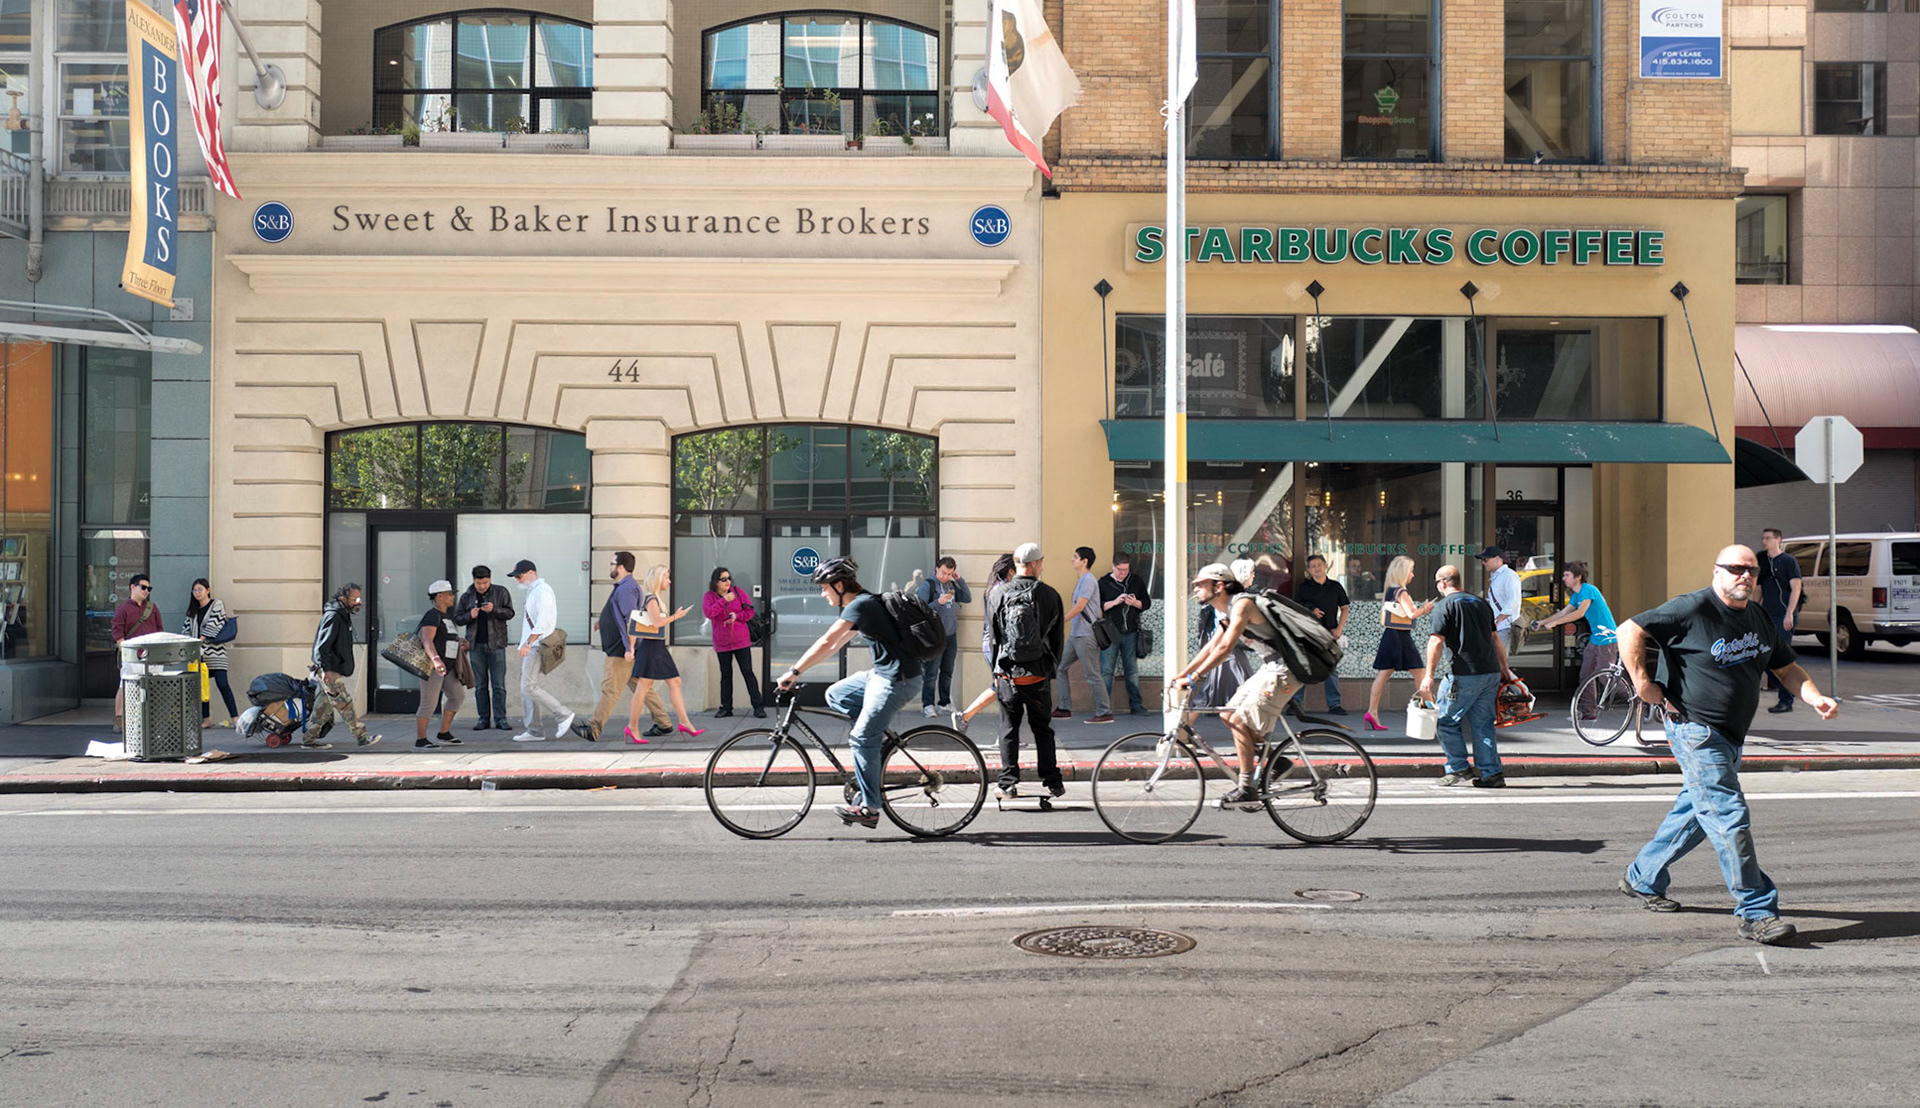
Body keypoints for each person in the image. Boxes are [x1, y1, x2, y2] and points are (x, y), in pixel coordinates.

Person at [1616, 545, 1839, 947]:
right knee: (1729, 816)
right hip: (1696, 732)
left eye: (1752, 571)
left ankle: (1642, 876)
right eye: (1736, 569)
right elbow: (1630, 629)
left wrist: (1813, 696)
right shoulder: (1692, 609)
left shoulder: (1758, 618)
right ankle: (1757, 911)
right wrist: (1643, 684)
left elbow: (1786, 668)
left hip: (1731, 736)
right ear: (1717, 571)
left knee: (1697, 813)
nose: (1745, 576)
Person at [774, 557, 922, 829]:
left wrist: (794, 672)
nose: (822, 593)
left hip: (897, 680)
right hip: (879, 675)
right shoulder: (861, 605)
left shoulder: (861, 605)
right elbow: (834, 647)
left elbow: (827, 640)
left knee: (862, 737)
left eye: (824, 588)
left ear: (839, 585)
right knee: (836, 695)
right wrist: (801, 670)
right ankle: (873, 737)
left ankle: (870, 807)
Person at [1172, 563, 1297, 808]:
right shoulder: (1229, 610)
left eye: (1200, 585)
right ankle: (1277, 762)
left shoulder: (1242, 605)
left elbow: (1224, 648)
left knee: (1240, 719)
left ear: (1218, 586)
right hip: (1271, 666)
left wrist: (1194, 677)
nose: (1195, 589)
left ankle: (1246, 787)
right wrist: (1180, 675)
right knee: (1229, 714)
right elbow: (1210, 647)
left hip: (1286, 669)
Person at [1417, 565, 1516, 788]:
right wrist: (1505, 669)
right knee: (1483, 725)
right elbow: (1495, 639)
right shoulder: (1481, 604)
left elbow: (1436, 641)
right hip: (1489, 673)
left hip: (1463, 674)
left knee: (1445, 721)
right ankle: (1492, 773)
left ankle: (1458, 767)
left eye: (1437, 583)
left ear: (1443, 583)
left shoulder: (1445, 606)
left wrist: (1428, 676)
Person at [986, 542, 1067, 799]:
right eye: (1041, 562)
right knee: (1042, 727)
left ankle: (1008, 782)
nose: (1042, 565)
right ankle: (1053, 781)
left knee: (1008, 728)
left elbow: (994, 638)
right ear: (1033, 564)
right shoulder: (1050, 595)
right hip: (1037, 675)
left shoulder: (998, 594)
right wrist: (1049, 668)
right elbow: (1057, 639)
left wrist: (997, 672)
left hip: (1008, 675)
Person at [585, 552, 672, 741]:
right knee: (643, 687)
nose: (610, 567)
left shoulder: (626, 588)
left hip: (620, 650)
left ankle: (594, 728)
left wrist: (629, 649)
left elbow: (630, 620)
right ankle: (664, 723)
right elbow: (620, 613)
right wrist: (603, 621)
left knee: (610, 689)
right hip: (622, 648)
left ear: (621, 567)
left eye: (612, 564)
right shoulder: (624, 587)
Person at [622, 564, 704, 741]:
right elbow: (657, 623)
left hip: (656, 647)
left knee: (673, 682)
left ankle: (684, 722)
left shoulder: (655, 599)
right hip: (652, 648)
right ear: (658, 579)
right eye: (666, 577)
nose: (669, 581)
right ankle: (632, 727)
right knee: (644, 688)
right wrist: (676, 616)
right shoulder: (652, 599)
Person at [1532, 561, 1619, 726]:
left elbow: (1580, 613)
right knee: (1585, 675)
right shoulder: (1576, 595)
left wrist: (1556, 624)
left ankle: (1640, 695)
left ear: (1578, 577)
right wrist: (1542, 622)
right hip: (1596, 638)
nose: (1563, 578)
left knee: (1605, 677)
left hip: (1607, 638)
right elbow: (1564, 612)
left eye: (1567, 575)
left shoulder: (1588, 590)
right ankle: (1588, 714)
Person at [1364, 555, 1434, 731]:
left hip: (1391, 636)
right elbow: (1411, 614)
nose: (1413, 575)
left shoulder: (1390, 589)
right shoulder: (1401, 592)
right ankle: (1434, 712)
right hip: (1401, 637)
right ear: (1403, 572)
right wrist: (1425, 609)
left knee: (1384, 674)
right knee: (1421, 673)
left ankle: (1372, 713)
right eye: (1411, 571)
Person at [509, 559, 576, 743]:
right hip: (534, 645)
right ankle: (534, 730)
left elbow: (543, 621)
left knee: (528, 687)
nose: (517, 580)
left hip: (537, 645)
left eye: (519, 576)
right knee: (526, 689)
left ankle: (563, 714)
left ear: (531, 573)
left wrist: (528, 643)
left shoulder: (542, 591)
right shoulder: (534, 591)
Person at [952, 552, 1017, 735]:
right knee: (1006, 689)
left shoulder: (994, 587)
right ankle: (1006, 735)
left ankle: (965, 717)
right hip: (997, 645)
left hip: (993, 643)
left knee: (1002, 687)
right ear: (1010, 571)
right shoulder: (1002, 589)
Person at [309, 582, 376, 748]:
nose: (359, 602)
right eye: (355, 598)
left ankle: (309, 740)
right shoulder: (334, 616)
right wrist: (325, 669)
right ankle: (362, 737)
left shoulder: (342, 615)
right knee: (345, 704)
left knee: (321, 708)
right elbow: (322, 645)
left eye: (360, 598)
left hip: (332, 668)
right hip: (329, 670)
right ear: (343, 598)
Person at [1052, 546, 1113, 723]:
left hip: (1086, 635)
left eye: (1075, 557)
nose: (1072, 559)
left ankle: (1104, 711)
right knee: (1060, 667)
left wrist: (1059, 621)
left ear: (1084, 561)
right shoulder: (1081, 580)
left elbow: (1079, 607)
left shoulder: (1088, 580)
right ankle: (1064, 708)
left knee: (1092, 674)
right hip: (1075, 635)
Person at [1286, 554, 1350, 716]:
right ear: (1309, 569)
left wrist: (1339, 629)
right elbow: (1295, 608)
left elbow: (1345, 608)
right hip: (1307, 634)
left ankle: (1334, 704)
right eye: (1313, 566)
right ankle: (1296, 705)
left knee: (1331, 670)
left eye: (1319, 565)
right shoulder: (1304, 588)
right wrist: (1311, 609)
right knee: (1304, 668)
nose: (1317, 568)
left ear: (1325, 566)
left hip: (1329, 634)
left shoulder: (1335, 586)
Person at [454, 566, 515, 731]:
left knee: (498, 685)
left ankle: (501, 719)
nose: (482, 586)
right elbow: (458, 618)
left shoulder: (500, 592)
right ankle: (483, 719)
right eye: (479, 583)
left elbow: (510, 613)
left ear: (490, 579)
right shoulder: (467, 595)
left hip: (497, 644)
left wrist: (494, 610)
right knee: (480, 685)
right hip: (475, 645)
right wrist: (469, 616)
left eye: (485, 582)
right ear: (473, 580)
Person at [704, 565, 765, 719]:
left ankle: (758, 706)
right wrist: (723, 600)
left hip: (741, 640)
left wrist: (737, 616)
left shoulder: (738, 592)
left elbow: (750, 611)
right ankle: (726, 707)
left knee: (748, 673)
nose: (727, 582)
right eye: (723, 579)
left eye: (729, 578)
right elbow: (709, 613)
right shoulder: (710, 596)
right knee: (726, 675)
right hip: (722, 642)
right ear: (716, 582)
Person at [1097, 552, 1152, 715]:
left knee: (1132, 670)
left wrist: (1135, 603)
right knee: (1107, 670)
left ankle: (1136, 705)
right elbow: (1099, 606)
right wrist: (1115, 602)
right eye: (1120, 570)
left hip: (1131, 631)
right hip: (1110, 631)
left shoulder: (1136, 580)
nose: (1123, 573)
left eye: (1126, 570)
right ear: (1113, 566)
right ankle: (1104, 707)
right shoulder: (1104, 582)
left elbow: (1147, 603)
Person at [414, 579, 467, 749]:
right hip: (433, 667)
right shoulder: (432, 615)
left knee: (457, 696)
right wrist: (436, 659)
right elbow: (426, 639)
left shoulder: (446, 616)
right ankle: (420, 740)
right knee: (429, 702)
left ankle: (444, 733)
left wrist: (460, 642)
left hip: (448, 667)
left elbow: (446, 637)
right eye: (450, 594)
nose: (452, 597)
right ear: (439, 596)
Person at [917, 556, 971, 716]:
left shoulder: (951, 585)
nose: (945, 576)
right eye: (943, 573)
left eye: (949, 573)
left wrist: (960, 581)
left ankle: (944, 703)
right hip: (934, 636)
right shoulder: (929, 584)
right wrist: (937, 602)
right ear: (936, 569)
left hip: (950, 634)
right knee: (931, 672)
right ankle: (928, 705)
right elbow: (920, 609)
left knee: (947, 671)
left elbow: (967, 598)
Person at [182, 578, 238, 728]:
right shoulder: (192, 611)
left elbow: (216, 622)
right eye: (195, 590)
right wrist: (188, 643)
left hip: (216, 653)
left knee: (222, 683)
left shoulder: (216, 604)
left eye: (200, 589)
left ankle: (235, 718)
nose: (197, 593)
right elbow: (186, 629)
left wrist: (200, 639)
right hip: (198, 654)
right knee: (202, 686)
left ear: (208, 590)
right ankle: (206, 719)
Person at [110, 574, 163, 732]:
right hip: (132, 655)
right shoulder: (123, 609)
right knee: (126, 686)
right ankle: (120, 719)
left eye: (149, 588)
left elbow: (160, 629)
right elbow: (118, 632)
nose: (146, 591)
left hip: (152, 656)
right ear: (132, 587)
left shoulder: (152, 608)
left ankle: (151, 720)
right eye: (143, 587)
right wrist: (125, 651)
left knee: (153, 687)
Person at [1758, 528, 1803, 714]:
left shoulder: (1788, 561)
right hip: (1767, 614)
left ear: (1779, 540)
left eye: (1768, 538)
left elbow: (1796, 588)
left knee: (1782, 658)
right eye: (1763, 538)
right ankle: (1781, 683)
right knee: (1762, 656)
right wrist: (1753, 609)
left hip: (1783, 615)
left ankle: (1786, 700)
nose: (1764, 541)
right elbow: (1759, 587)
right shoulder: (1762, 560)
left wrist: (1789, 613)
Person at [1479, 545, 1524, 657]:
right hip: (1498, 627)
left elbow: (1513, 602)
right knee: (1496, 662)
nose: (1483, 563)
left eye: (1485, 559)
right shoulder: (1495, 575)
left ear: (1497, 559)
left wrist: (1498, 620)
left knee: (1499, 663)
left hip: (1505, 627)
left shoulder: (1509, 575)